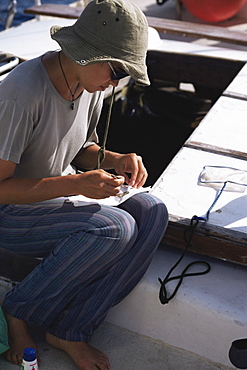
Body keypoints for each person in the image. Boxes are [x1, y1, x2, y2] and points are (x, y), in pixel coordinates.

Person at [0, 0, 168, 369]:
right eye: (117, 70)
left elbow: (82, 151)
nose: (116, 82)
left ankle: (70, 329)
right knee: (115, 227)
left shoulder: (88, 86)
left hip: (46, 206)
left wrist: (116, 159)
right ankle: (18, 310)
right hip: (9, 215)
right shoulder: (21, 94)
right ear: (87, 54)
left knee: (153, 210)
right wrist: (75, 184)